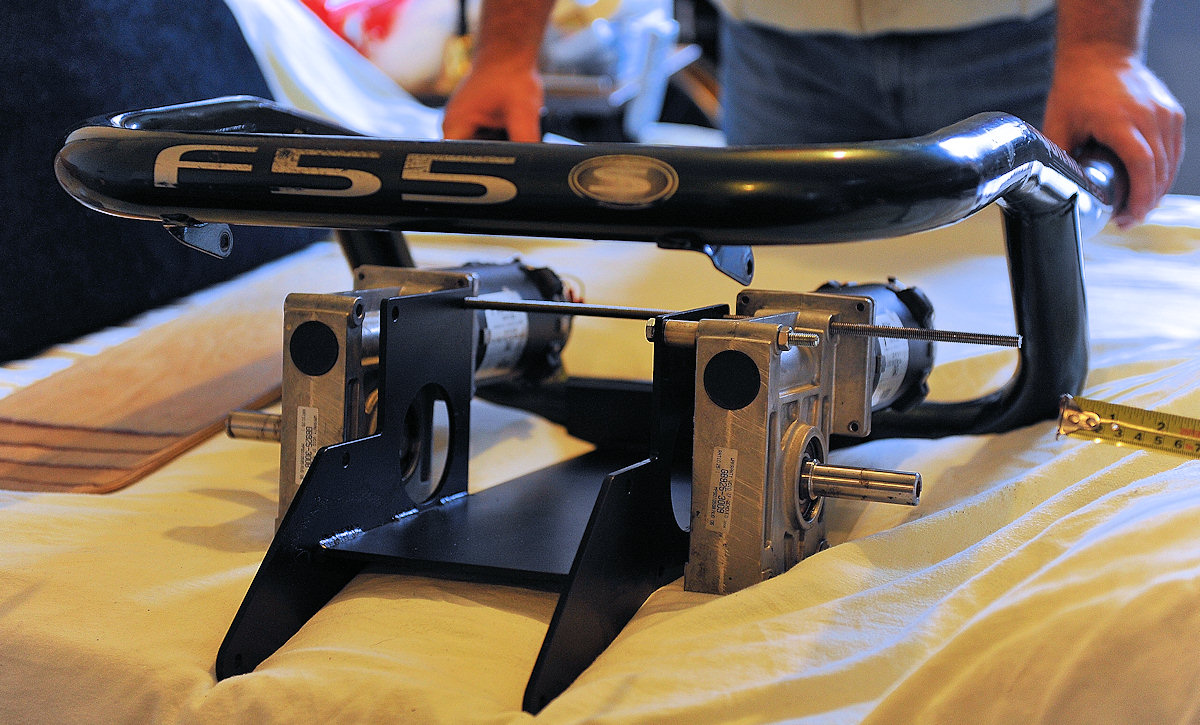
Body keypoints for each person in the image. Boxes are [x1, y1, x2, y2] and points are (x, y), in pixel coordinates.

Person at [441, 0, 1185, 229]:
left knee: (1027, 324)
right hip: (779, 51)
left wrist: (1102, 48)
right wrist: (505, 52)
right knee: (779, 319)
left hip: (1017, 44)